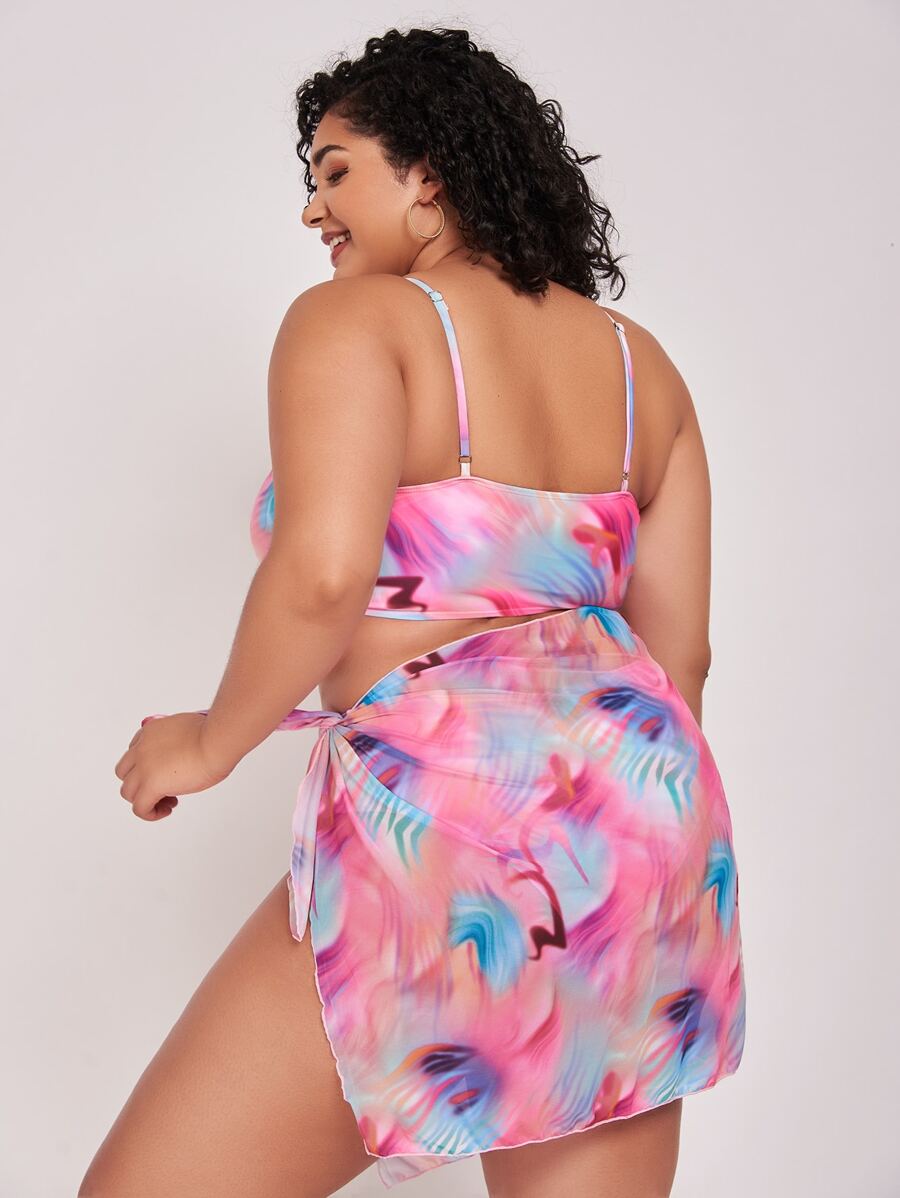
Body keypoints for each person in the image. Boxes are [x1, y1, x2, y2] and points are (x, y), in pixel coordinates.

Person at [80, 25, 746, 1198]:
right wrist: (597, 833)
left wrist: (206, 742)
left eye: (335, 172)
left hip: (443, 828)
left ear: (428, 174)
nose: (313, 210)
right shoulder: (645, 369)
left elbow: (322, 576)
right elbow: (680, 659)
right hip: (639, 840)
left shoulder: (358, 322)